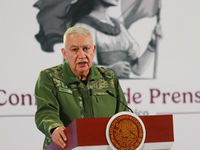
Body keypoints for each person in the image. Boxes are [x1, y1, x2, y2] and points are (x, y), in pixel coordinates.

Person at [34, 26, 129, 149]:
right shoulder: (50, 77)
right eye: (74, 49)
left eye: (86, 48)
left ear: (93, 50)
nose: (82, 55)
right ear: (64, 53)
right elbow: (46, 111)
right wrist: (54, 127)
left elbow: (122, 115)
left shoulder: (109, 78)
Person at [64, 0, 162, 78]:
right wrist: (110, 70)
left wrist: (153, 44)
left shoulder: (119, 26)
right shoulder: (82, 28)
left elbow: (137, 69)